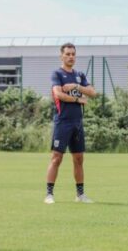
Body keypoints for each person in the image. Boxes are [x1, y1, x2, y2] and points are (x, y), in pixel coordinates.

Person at [44, 43, 97, 204]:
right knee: (56, 158)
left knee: (79, 159)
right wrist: (77, 99)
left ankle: (80, 195)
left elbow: (93, 92)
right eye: (67, 54)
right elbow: (58, 94)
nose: (71, 56)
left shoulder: (79, 75)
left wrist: (76, 86)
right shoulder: (57, 74)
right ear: (62, 56)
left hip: (77, 123)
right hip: (63, 122)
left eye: (73, 54)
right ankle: (49, 194)